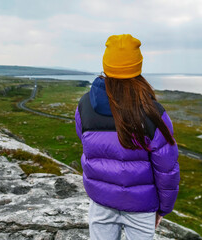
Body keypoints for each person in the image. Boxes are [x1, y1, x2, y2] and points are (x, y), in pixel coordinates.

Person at [74, 34, 180, 240]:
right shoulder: (153, 112)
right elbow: (167, 169)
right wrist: (163, 208)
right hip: (141, 206)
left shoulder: (85, 105)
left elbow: (87, 146)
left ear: (106, 66)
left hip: (101, 201)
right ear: (137, 67)